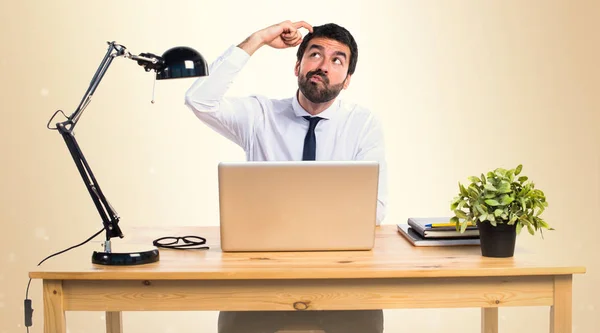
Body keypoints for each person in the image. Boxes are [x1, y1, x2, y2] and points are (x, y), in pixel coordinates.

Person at [184, 20, 387, 333]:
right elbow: (199, 100)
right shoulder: (259, 117)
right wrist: (258, 39)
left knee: (365, 317)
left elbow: (375, 208)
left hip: (340, 277)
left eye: (337, 60)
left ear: (347, 80)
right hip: (260, 278)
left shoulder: (362, 124)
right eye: (315, 54)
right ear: (298, 66)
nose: (323, 66)